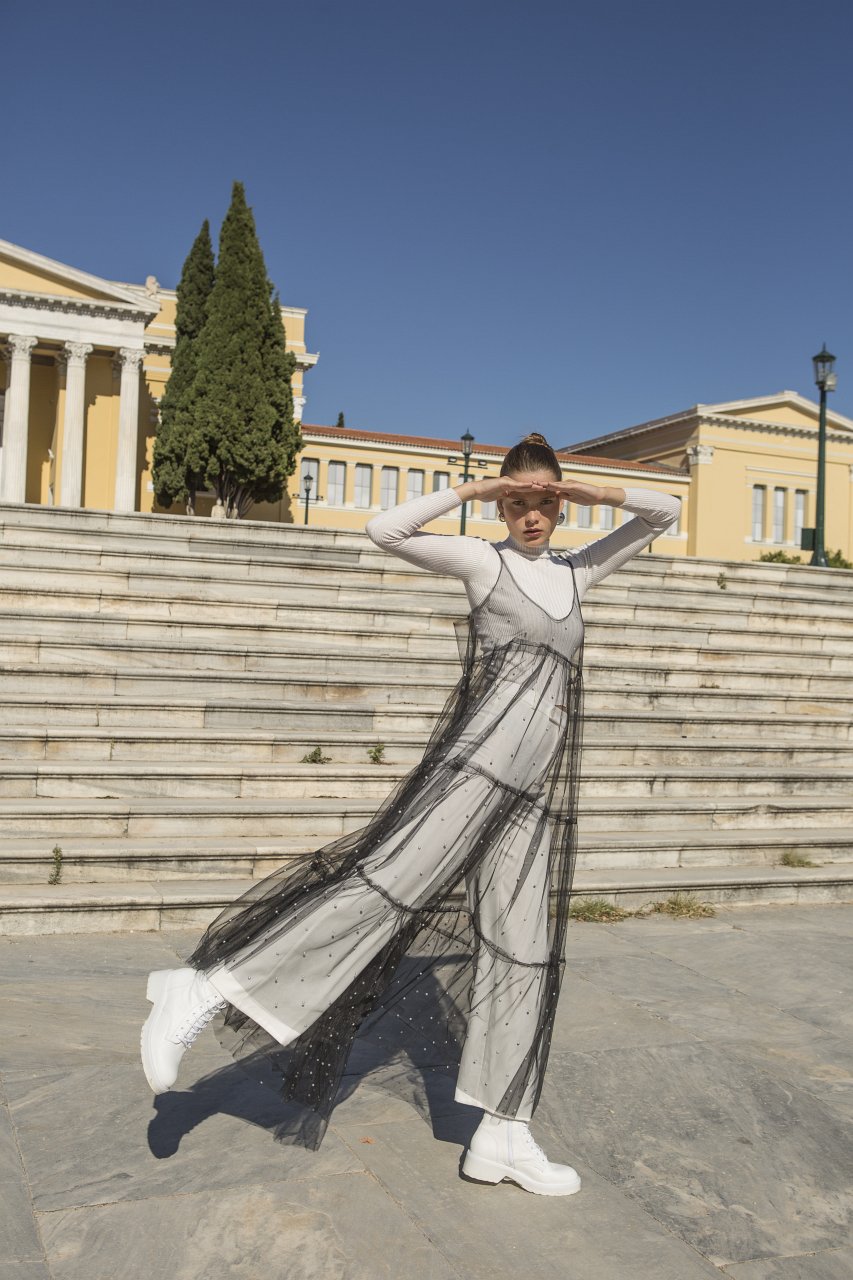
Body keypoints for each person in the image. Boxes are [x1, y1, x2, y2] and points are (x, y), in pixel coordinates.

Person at [141, 432, 680, 1197]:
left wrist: (597, 495)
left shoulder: (577, 570)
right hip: (476, 766)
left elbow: (666, 513)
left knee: (522, 951)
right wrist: (472, 496)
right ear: (504, 502)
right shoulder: (482, 562)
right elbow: (384, 530)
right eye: (518, 501)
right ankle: (207, 985)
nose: (531, 515)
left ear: (559, 506)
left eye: (542, 502)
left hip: (532, 789)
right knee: (386, 885)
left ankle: (503, 1129)